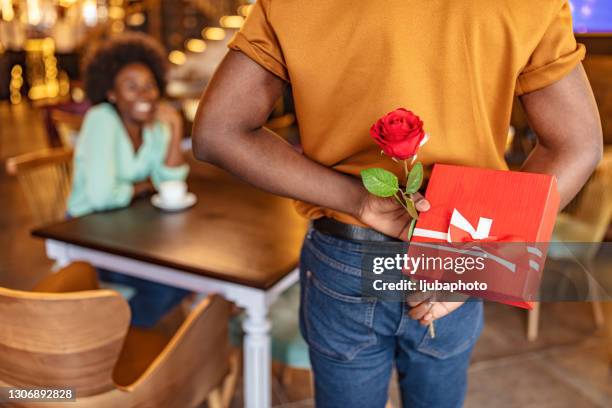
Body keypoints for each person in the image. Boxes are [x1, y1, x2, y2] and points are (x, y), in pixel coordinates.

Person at [192, 1, 603, 407]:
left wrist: (358, 201)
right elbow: (577, 144)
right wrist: (485, 255)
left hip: (346, 249)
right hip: (457, 252)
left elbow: (218, 131)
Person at [68, 33, 190, 328]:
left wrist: (174, 129)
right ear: (112, 93)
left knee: (187, 279)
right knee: (165, 287)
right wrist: (142, 186)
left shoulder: (154, 126)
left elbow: (171, 180)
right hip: (86, 232)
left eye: (149, 86)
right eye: (131, 87)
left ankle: (117, 329)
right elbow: (100, 197)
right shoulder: (101, 119)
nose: (144, 95)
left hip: (130, 231)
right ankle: (102, 333)